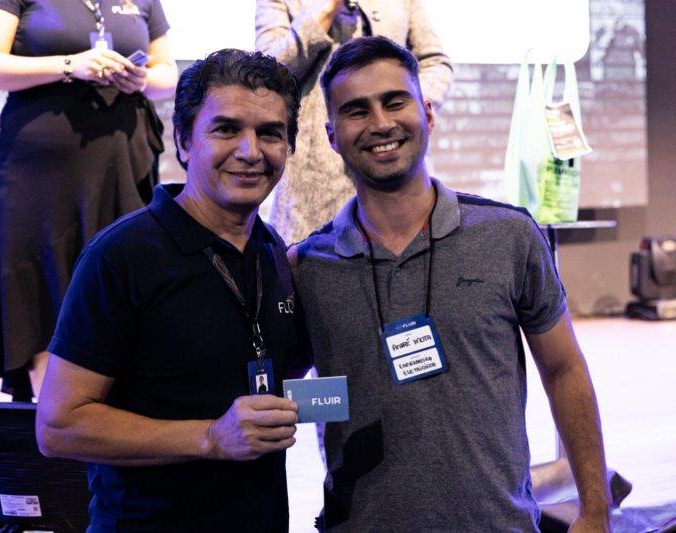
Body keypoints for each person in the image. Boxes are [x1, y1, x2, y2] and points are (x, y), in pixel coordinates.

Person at [290, 36, 610, 531]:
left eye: (395, 101)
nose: (380, 123)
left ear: (428, 113)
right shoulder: (308, 266)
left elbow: (564, 369)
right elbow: (281, 391)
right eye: (356, 110)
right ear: (332, 135)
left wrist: (595, 510)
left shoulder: (508, 236)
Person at [36, 48, 308, 531]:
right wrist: (210, 437)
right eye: (226, 129)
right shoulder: (122, 255)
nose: (250, 151)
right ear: (183, 141)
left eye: (270, 133)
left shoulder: (272, 251)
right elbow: (59, 425)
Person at [0, 0, 178, 401]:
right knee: (47, 287)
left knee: (125, 284)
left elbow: (167, 75)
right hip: (41, 167)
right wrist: (70, 65)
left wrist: (141, 79)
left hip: (124, 163)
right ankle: (58, 418)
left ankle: (124, 416)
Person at [256, 0, 453, 244]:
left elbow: (435, 62)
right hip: (313, 183)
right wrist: (327, 10)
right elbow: (268, 75)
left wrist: (405, 107)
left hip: (400, 178)